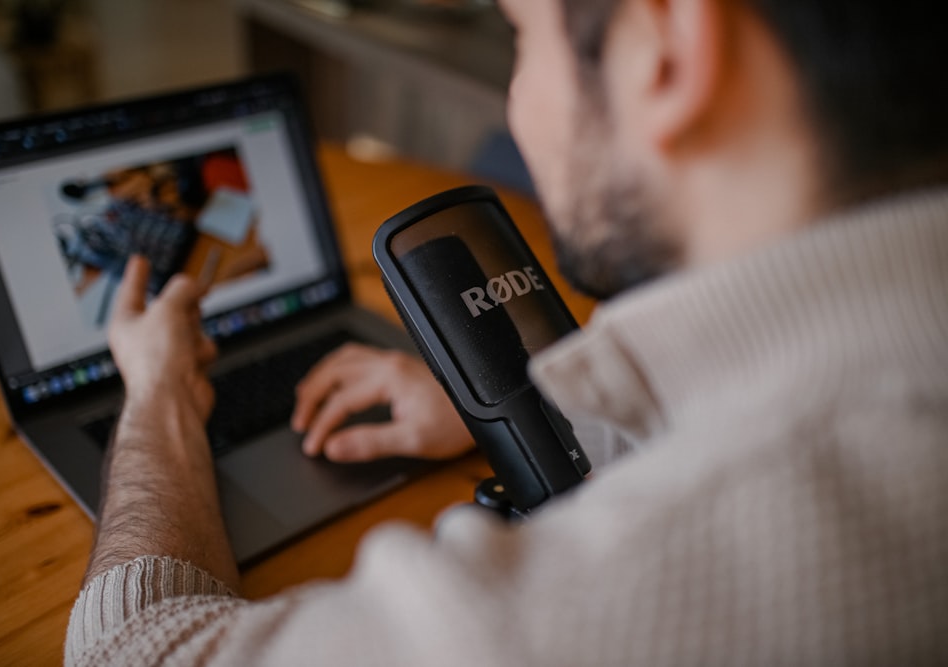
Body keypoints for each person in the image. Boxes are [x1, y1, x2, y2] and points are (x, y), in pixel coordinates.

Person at [65, 0, 948, 663]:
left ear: (666, 51)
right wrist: (531, 406)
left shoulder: (604, 601)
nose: (518, 101)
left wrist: (160, 393)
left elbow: (131, 651)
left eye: (523, 36)